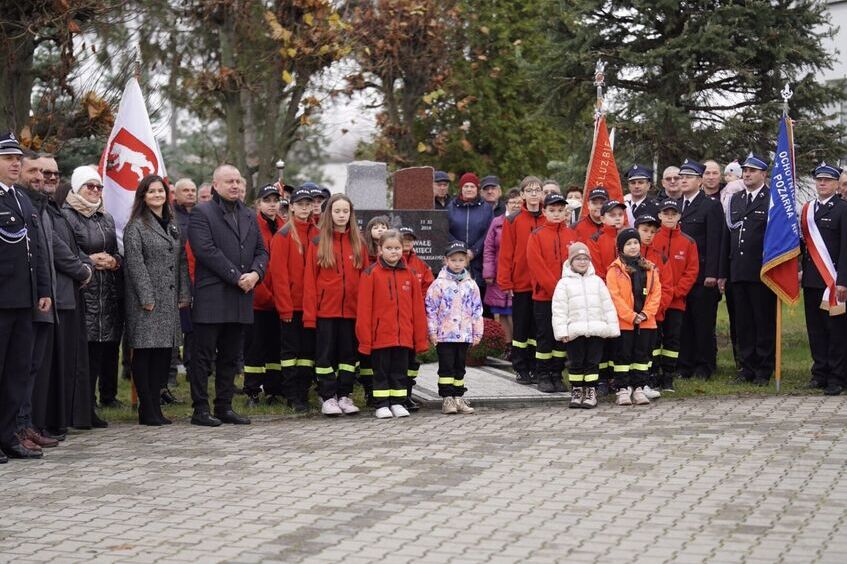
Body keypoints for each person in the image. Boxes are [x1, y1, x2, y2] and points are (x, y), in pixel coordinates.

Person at [188, 164, 268, 426]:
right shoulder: (202, 212)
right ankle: (200, 409)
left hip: (240, 297)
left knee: (231, 357)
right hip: (213, 296)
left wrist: (255, 274)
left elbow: (261, 251)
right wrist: (237, 277)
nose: (234, 185)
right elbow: (206, 251)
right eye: (229, 181)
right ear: (215, 185)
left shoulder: (248, 214)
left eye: (237, 181)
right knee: (203, 357)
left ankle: (224, 406)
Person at [123, 175, 191, 425]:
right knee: (145, 354)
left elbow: (181, 260)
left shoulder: (172, 224)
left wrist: (184, 294)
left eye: (160, 191)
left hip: (169, 300)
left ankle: (156, 409)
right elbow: (135, 264)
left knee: (164, 354)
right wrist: (146, 296)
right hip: (147, 302)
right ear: (143, 196)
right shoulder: (136, 226)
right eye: (151, 191)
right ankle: (147, 409)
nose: (157, 195)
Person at [0, 132, 50, 461]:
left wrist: (44, 289)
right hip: (1, 300)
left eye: (19, 159)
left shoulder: (22, 199)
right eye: (8, 159)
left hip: (23, 301)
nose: (16, 163)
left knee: (17, 372)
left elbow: (37, 250)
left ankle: (7, 436)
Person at [64, 165, 123, 426]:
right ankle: (78, 409)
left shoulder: (105, 217)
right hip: (82, 291)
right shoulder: (66, 215)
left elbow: (116, 251)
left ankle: (91, 407)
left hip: (105, 293)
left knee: (98, 354)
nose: (95, 191)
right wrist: (88, 260)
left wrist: (114, 261)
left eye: (98, 187)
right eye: (90, 186)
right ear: (77, 188)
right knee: (81, 357)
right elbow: (63, 250)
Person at [303, 193, 369, 416]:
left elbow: (367, 280)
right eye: (337, 211)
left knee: (349, 357)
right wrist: (310, 315)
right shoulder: (318, 242)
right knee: (325, 357)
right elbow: (310, 281)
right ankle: (328, 396)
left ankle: (345, 395)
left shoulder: (359, 243)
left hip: (352, 312)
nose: (341, 215)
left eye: (345, 211)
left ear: (351, 214)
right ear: (329, 214)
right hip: (326, 311)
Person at [357, 230, 429, 419]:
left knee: (399, 371)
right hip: (380, 336)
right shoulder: (370, 273)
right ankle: (381, 404)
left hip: (403, 336)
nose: (394, 252)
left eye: (397, 248)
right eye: (389, 248)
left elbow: (417, 309)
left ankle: (397, 402)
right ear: (380, 249)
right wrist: (365, 339)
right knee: (381, 371)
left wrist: (419, 339)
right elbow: (364, 309)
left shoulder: (410, 275)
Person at [722, 154, 776, 386]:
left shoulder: (772, 199)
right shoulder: (736, 199)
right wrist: (725, 271)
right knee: (743, 321)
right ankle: (747, 366)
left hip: (762, 270)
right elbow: (728, 236)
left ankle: (764, 368)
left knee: (762, 320)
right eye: (745, 170)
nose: (747, 174)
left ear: (764, 174)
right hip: (738, 269)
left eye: (753, 170)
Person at [551, 242, 619, 409]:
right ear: (571, 261)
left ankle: (590, 392)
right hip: (575, 331)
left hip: (596, 330)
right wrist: (561, 331)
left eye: (585, 259)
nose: (582, 262)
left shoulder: (597, 282)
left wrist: (612, 328)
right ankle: (576, 390)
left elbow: (607, 306)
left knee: (592, 362)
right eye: (578, 259)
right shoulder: (563, 284)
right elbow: (559, 309)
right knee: (576, 363)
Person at [269, 187, 318, 412]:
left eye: (308, 204)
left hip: (313, 306)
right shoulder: (283, 235)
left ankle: (303, 391)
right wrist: (285, 308)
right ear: (292, 206)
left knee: (308, 353)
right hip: (292, 306)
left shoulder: (317, 234)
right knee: (291, 353)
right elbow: (278, 276)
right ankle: (291, 394)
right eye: (300, 204)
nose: (305, 208)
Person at [801, 163, 847, 395]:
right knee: (816, 329)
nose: (822, 183)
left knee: (836, 330)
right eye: (819, 180)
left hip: (834, 282)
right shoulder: (808, 209)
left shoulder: (843, 209)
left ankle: (836, 377)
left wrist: (843, 281)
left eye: (827, 180)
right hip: (811, 280)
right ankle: (819, 372)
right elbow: (804, 247)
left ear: (837, 184)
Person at [676, 158, 724, 380]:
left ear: (699, 180)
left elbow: (716, 241)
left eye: (688, 177)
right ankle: (685, 364)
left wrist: (713, 273)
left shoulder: (710, 205)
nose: (682, 180)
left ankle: (704, 365)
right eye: (681, 177)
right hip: (679, 276)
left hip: (703, 274)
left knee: (703, 323)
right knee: (683, 323)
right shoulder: (675, 206)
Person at [527, 193, 578, 393]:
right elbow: (536, 266)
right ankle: (543, 375)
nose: (556, 214)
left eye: (560, 210)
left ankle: (557, 375)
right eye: (552, 210)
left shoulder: (572, 236)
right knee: (545, 336)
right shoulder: (536, 235)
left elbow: (576, 264)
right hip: (545, 297)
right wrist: (556, 288)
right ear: (544, 212)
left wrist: (567, 288)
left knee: (561, 338)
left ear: (565, 212)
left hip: (567, 297)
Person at [425, 241, 483, 415]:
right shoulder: (438, 284)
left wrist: (477, 332)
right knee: (446, 367)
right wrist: (432, 332)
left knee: (460, 367)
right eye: (453, 260)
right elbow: (431, 310)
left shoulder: (471, 285)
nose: (457, 263)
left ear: (466, 261)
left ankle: (459, 396)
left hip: (463, 335)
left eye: (461, 260)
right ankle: (447, 398)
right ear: (445, 261)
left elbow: (477, 310)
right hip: (445, 335)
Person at [497, 176, 545, 384]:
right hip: (521, 282)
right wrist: (506, 282)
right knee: (522, 326)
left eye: (537, 190)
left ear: (543, 194)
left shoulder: (549, 217)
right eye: (529, 190)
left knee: (538, 326)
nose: (534, 194)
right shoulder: (513, 220)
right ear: (523, 195)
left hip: (543, 284)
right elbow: (506, 253)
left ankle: (536, 366)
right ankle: (521, 367)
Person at [607, 229, 662, 406]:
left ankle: (638, 387)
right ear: (621, 248)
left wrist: (646, 314)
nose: (633, 247)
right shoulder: (615, 270)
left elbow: (656, 294)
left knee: (642, 357)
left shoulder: (650, 268)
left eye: (635, 243)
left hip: (646, 322)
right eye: (628, 244)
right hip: (625, 323)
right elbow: (615, 297)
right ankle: (622, 388)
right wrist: (631, 316)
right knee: (623, 357)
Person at [652, 200, 699, 392]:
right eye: (666, 213)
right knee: (654, 340)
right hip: (654, 302)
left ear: (680, 216)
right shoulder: (652, 238)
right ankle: (653, 375)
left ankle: (668, 376)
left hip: (676, 302)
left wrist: (676, 293)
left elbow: (692, 271)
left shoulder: (688, 242)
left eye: (674, 213)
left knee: (672, 339)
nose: (670, 217)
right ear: (660, 216)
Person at [243, 184, 283, 407]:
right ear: (258, 204)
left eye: (275, 200)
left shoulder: (284, 227)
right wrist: (266, 295)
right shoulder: (251, 227)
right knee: (255, 349)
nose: (272, 204)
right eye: (267, 200)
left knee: (275, 349)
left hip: (280, 301)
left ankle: (274, 390)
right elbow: (250, 264)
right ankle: (252, 391)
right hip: (258, 300)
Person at [634, 214, 674, 399]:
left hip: (652, 315)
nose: (649, 235)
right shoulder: (628, 255)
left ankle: (648, 381)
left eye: (652, 232)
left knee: (650, 350)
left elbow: (666, 287)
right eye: (644, 231)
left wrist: (654, 310)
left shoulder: (661, 257)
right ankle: (625, 383)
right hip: (630, 315)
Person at [399, 225, 434, 411]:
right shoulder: (393, 261)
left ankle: (408, 394)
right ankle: (396, 394)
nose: (406, 243)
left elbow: (428, 289)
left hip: (415, 319)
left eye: (410, 239)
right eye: (403, 238)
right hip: (399, 318)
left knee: (412, 360)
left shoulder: (421, 265)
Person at [483, 188, 520, 350]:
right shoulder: (497, 222)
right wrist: (489, 272)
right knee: (502, 311)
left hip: (518, 274)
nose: (516, 206)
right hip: (499, 274)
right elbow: (489, 248)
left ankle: (518, 345)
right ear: (506, 204)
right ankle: (508, 346)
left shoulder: (524, 222)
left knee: (515, 312)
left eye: (519, 202)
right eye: (513, 202)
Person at [446, 172, 493, 290]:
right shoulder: (450, 207)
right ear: (461, 189)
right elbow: (444, 231)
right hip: (455, 259)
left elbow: (489, 232)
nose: (469, 189)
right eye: (466, 186)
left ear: (477, 189)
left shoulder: (486, 208)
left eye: (472, 186)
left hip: (478, 261)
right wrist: (460, 249)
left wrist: (474, 251)